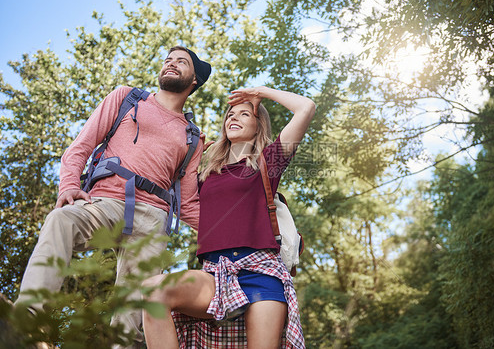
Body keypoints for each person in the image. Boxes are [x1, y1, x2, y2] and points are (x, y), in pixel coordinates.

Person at [15, 45, 211, 347]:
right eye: (168, 59)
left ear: (194, 80)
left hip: (153, 219)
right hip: (103, 201)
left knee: (132, 312)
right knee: (61, 220)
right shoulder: (127, 98)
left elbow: (187, 204)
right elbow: (80, 147)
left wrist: (232, 234)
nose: (171, 64)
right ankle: (27, 320)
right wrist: (68, 185)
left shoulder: (193, 137)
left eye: (181, 62)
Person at [142, 86, 315, 348]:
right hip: (214, 271)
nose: (233, 118)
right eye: (230, 114)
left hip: (262, 273)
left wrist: (260, 93)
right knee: (155, 293)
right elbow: (179, 200)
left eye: (244, 114)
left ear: (259, 126)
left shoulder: (269, 161)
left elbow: (307, 107)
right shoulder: (205, 172)